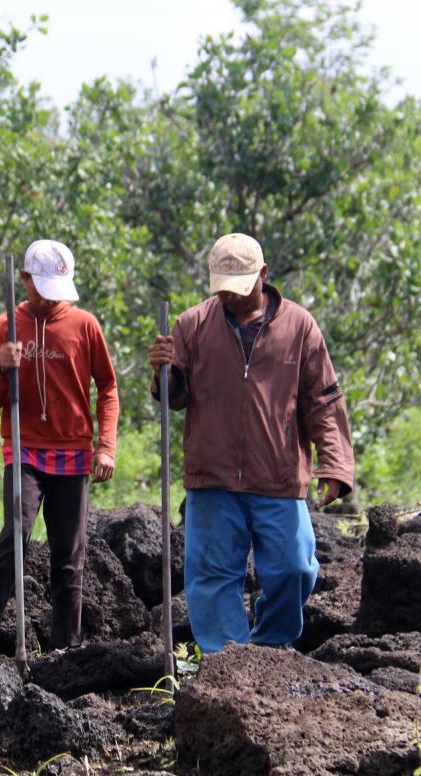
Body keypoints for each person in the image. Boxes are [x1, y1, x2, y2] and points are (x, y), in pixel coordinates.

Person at [147, 233, 354, 653]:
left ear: (263, 276)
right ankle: (225, 661)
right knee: (212, 577)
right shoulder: (193, 324)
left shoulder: (299, 327)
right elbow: (176, 397)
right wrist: (164, 371)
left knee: (295, 569)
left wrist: (334, 464)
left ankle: (269, 649)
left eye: (239, 287)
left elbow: (323, 400)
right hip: (213, 476)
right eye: (222, 287)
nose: (231, 297)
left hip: (277, 474)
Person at [0, 240, 120, 668]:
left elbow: (108, 387)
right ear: (24, 279)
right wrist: (2, 367)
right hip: (24, 448)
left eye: (56, 288)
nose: (48, 297)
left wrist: (106, 445)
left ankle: (66, 649)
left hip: (72, 452)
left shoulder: (85, 325)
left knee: (69, 554)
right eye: (40, 286)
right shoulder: (4, 326)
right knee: (16, 533)